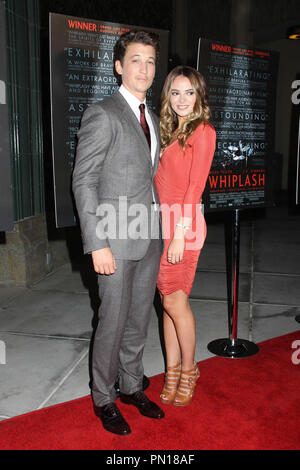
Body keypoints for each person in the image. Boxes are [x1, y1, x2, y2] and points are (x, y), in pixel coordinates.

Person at [72, 30, 164, 436]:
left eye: (150, 61)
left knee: (139, 319)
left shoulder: (154, 118)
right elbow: (84, 181)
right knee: (111, 320)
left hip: (148, 237)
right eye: (136, 60)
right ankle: (104, 397)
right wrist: (97, 244)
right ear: (119, 66)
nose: (144, 68)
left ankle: (131, 385)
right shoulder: (102, 113)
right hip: (113, 240)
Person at [154, 66, 216, 407]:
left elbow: (195, 187)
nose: (181, 99)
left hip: (184, 226)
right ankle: (172, 371)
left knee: (175, 302)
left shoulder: (203, 131)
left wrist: (179, 233)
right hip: (160, 225)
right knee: (168, 303)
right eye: (175, 92)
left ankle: (190, 371)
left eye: (189, 92)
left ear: (199, 95)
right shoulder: (168, 132)